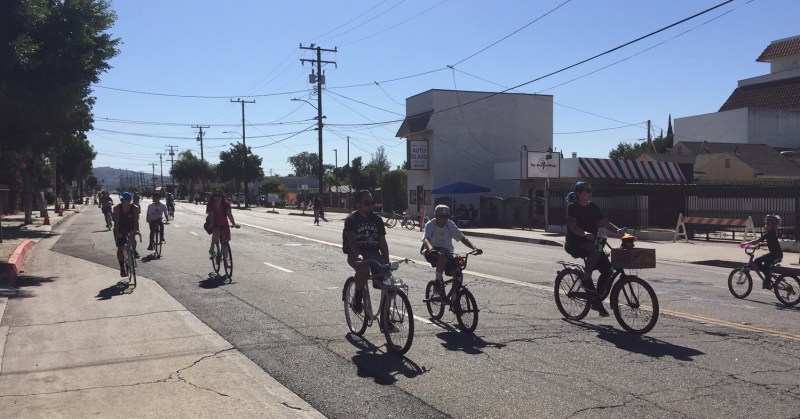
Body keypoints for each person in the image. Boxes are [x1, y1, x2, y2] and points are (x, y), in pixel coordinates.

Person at [564, 181, 622, 317]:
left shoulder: (593, 207)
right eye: (586, 190)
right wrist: (584, 233)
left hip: (595, 242)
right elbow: (572, 226)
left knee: (607, 269)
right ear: (579, 193)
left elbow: (605, 223)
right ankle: (586, 279)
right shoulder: (572, 207)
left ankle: (597, 297)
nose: (590, 193)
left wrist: (619, 231)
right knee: (594, 250)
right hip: (575, 243)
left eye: (590, 190)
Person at [343, 190, 390, 313]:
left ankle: (386, 317)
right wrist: (358, 254)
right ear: (358, 204)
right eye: (367, 203)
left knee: (388, 282)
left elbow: (382, 243)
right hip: (356, 254)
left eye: (372, 203)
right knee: (363, 270)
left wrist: (387, 262)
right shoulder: (352, 220)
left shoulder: (377, 220)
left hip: (374, 254)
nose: (371, 206)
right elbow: (352, 241)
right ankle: (358, 297)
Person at [421, 204, 482, 295]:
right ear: (436, 216)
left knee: (457, 273)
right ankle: (437, 281)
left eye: (446, 217)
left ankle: (454, 299)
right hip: (430, 252)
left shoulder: (449, 224)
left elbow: (462, 238)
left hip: (446, 252)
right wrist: (431, 249)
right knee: (443, 253)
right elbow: (426, 239)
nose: (444, 219)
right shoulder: (430, 224)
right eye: (441, 216)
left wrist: (474, 248)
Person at [742, 214, 783, 289]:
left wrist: (746, 243)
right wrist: (762, 244)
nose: (766, 225)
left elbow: (758, 240)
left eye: (768, 223)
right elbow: (771, 242)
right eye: (766, 223)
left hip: (774, 255)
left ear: (773, 225)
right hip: (777, 254)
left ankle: (767, 280)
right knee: (765, 266)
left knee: (757, 261)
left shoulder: (769, 233)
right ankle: (768, 280)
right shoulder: (772, 233)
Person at [112, 192, 140, 277]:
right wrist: (118, 233)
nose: (125, 202)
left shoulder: (135, 208)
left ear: (130, 200)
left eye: (127, 200)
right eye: (123, 200)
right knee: (120, 248)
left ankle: (134, 250)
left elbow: (136, 220)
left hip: (130, 226)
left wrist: (137, 230)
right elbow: (116, 222)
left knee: (132, 237)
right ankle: (122, 268)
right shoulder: (117, 208)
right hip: (120, 227)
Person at [206, 189, 237, 257]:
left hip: (224, 223)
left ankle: (226, 259)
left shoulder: (226, 204)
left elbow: (229, 215)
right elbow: (211, 216)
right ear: (213, 197)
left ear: (222, 197)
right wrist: (212, 224)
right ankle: (211, 248)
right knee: (216, 233)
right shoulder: (211, 205)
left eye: (219, 196)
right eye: (215, 196)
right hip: (215, 222)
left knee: (226, 240)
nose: (217, 197)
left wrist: (234, 223)